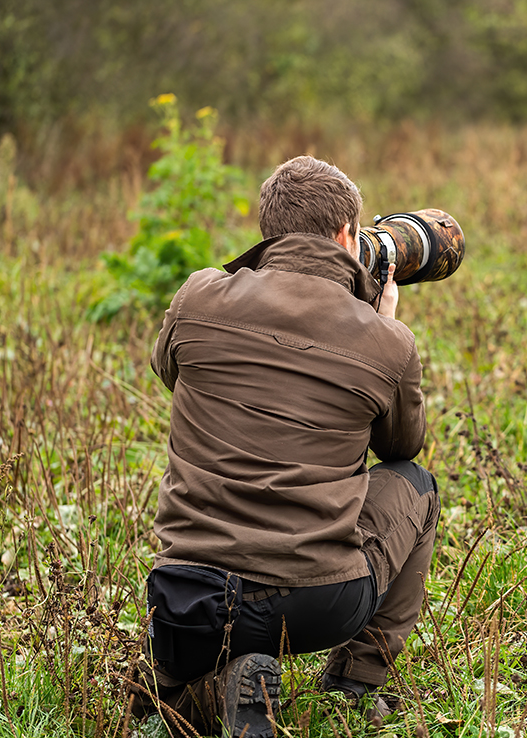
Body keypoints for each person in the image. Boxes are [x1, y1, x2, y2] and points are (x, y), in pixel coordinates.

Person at [129, 155, 440, 738]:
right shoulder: (387, 341)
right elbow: (403, 445)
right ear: (349, 234)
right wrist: (378, 324)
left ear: (267, 230)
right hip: (319, 603)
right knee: (416, 485)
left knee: (162, 699)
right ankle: (355, 685)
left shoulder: (197, 295)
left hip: (190, 595)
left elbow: (168, 370)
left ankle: (212, 680)